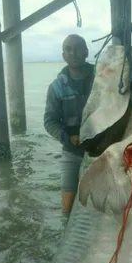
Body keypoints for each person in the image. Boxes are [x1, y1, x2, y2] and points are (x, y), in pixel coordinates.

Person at [44, 34, 95, 214]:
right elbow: (50, 121)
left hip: (103, 152)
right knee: (67, 207)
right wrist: (68, 137)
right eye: (68, 49)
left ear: (87, 52)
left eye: (78, 48)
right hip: (72, 152)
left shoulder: (103, 79)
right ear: (64, 55)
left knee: (106, 204)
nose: (74, 53)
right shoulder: (56, 87)